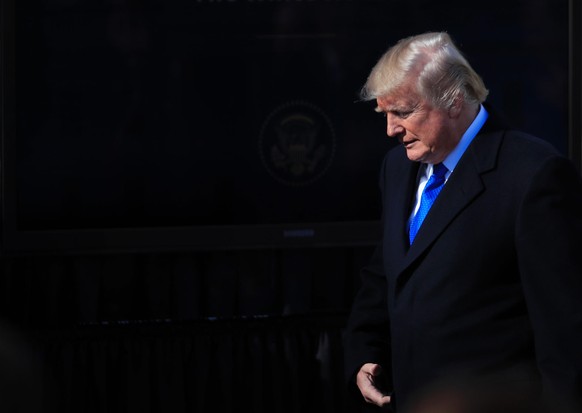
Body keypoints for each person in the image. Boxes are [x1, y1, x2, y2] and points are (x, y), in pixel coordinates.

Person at [343, 31, 582, 413]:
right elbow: (387, 275)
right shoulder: (397, 168)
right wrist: (365, 353)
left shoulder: (533, 174)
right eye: (384, 114)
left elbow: (564, 330)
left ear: (454, 102)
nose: (390, 129)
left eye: (403, 112)